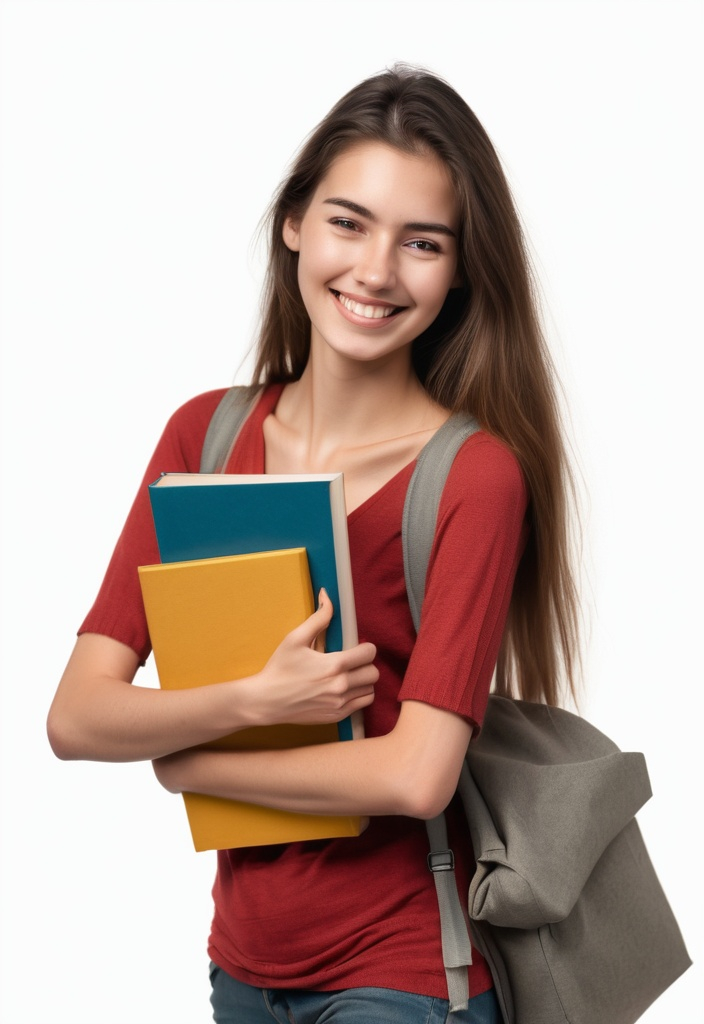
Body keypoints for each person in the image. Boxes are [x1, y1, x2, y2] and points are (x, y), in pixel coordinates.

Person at [47, 63, 579, 1023]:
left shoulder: (472, 475)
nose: (376, 271)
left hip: (407, 976)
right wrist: (252, 700)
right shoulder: (202, 439)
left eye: (422, 242)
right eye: (348, 221)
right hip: (242, 968)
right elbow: (77, 716)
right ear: (294, 221)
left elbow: (418, 774)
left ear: (460, 271)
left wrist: (192, 759)